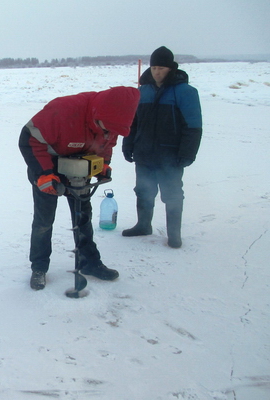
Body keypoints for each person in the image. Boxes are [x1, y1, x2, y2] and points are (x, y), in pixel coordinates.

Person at [19, 86, 140, 290]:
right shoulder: (64, 110)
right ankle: (39, 267)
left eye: (114, 131)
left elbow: (107, 144)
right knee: (44, 220)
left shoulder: (112, 123)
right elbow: (29, 138)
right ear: (97, 114)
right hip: (47, 166)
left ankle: (90, 263)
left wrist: (103, 164)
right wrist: (44, 173)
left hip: (80, 167)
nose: (109, 133)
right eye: (106, 128)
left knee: (83, 217)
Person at [122, 46, 203, 248]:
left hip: (171, 155)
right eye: (154, 67)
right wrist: (128, 144)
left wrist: (187, 154)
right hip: (144, 152)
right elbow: (133, 122)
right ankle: (143, 225)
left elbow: (193, 126)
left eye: (161, 67)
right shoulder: (143, 91)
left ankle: (174, 234)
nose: (157, 71)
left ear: (170, 68)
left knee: (172, 193)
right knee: (143, 190)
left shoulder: (185, 92)